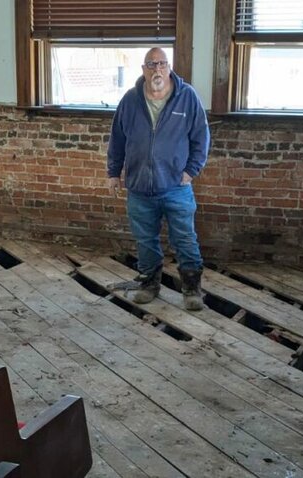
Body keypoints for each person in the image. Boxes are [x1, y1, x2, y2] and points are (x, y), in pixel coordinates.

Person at [107, 47, 210, 311]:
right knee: (145, 240)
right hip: (139, 187)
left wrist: (191, 171)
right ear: (143, 69)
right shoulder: (130, 100)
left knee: (185, 239)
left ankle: (192, 289)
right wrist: (113, 173)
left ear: (169, 67)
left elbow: (201, 137)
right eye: (151, 64)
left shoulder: (187, 98)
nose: (157, 69)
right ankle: (149, 284)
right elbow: (117, 140)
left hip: (177, 186)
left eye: (162, 64)